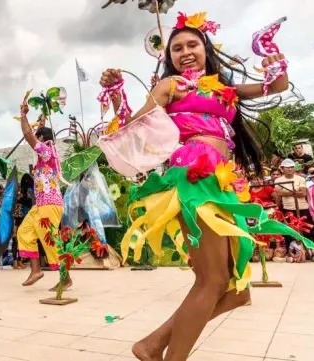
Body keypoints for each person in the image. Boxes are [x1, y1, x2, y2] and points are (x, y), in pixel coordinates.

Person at [100, 12, 313, 361]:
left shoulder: (224, 89)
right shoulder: (171, 86)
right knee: (213, 281)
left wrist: (274, 59)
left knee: (236, 289)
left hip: (223, 182)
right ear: (168, 58)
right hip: (193, 176)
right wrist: (115, 95)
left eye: (192, 44)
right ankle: (166, 355)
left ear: (205, 48)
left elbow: (275, 87)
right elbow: (137, 120)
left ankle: (153, 344)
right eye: (176, 48)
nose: (185, 52)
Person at [17, 102, 69, 290]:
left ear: (43, 139)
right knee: (24, 232)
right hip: (40, 205)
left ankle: (66, 278)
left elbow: (29, 136)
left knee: (49, 241)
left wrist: (23, 116)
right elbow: (35, 135)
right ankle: (36, 270)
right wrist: (41, 122)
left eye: (38, 138)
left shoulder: (47, 151)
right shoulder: (46, 154)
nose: (34, 144)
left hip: (50, 204)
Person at [275, 159, 314, 243]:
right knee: (291, 232)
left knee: (308, 231)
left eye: (292, 167)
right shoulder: (278, 181)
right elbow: (279, 193)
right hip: (288, 209)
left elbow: (303, 193)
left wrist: (286, 192)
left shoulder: (301, 179)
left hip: (302, 208)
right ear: (282, 169)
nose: (290, 169)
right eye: (287, 167)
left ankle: (310, 250)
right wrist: (294, 191)